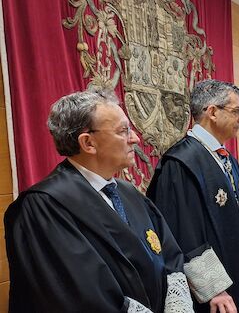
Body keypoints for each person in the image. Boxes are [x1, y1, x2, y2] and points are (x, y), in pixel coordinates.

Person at [4, 90, 193, 313]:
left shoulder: (128, 192)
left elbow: (169, 252)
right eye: (123, 131)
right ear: (88, 143)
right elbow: (79, 297)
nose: (135, 139)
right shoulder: (44, 206)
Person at [148, 79, 239, 313]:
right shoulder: (180, 163)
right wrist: (214, 289)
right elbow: (182, 231)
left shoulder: (227, 159)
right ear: (213, 112)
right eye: (236, 111)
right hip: (213, 294)